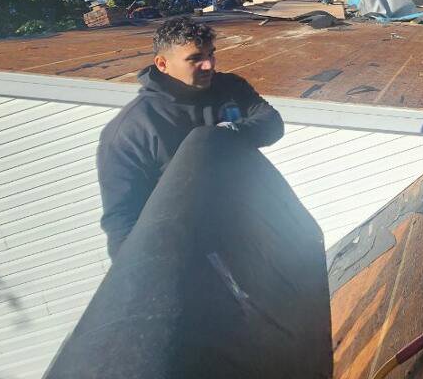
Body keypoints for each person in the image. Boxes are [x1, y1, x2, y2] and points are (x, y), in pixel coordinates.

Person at [96, 17, 284, 258]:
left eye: (211, 54)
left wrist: (228, 134)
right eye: (195, 58)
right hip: (190, 251)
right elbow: (121, 219)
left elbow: (272, 124)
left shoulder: (229, 87)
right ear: (162, 64)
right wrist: (138, 272)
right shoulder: (132, 130)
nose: (208, 65)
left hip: (252, 230)